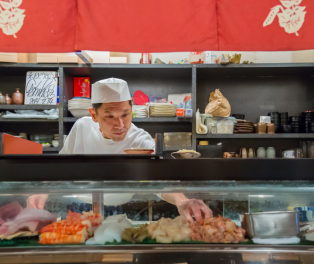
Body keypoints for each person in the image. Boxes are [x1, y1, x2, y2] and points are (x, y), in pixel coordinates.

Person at [28, 78, 212, 223]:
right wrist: (43, 189)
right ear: (94, 115)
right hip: (79, 209)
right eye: (110, 116)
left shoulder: (140, 139)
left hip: (120, 212)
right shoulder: (81, 127)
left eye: (125, 114)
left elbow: (160, 179)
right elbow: (62, 166)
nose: (121, 125)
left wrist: (181, 200)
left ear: (131, 109)